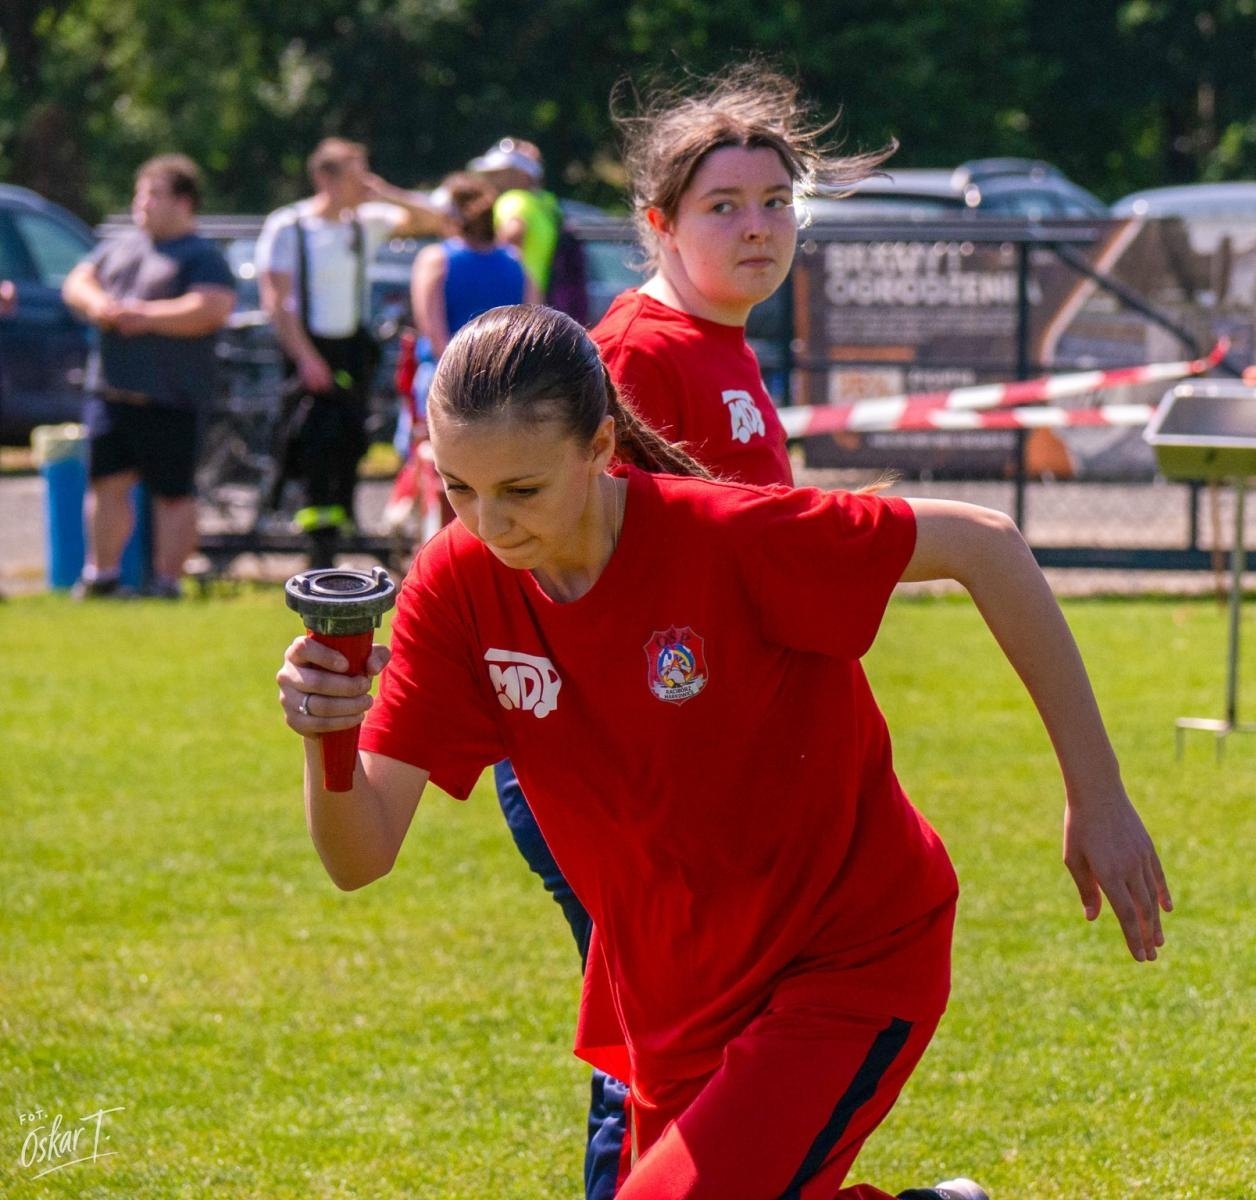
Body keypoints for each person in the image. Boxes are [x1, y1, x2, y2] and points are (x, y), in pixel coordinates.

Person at [276, 304, 1171, 1200]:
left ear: (600, 446)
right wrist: (329, 728)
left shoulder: (728, 537)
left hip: (847, 957)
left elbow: (987, 544)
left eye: (521, 490)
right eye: (458, 489)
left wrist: (1097, 794)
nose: (487, 523)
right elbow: (358, 855)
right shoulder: (454, 586)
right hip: (675, 1003)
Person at [489, 65, 898, 1196]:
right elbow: (540, 571)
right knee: (660, 1045)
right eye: (726, 205)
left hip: (696, 771)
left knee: (737, 1064)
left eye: (777, 201)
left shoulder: (718, 341)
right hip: (608, 768)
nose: (760, 226)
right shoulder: (634, 357)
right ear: (659, 224)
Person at [255, 138, 445, 567]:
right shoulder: (289, 226)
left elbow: (439, 219)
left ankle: (339, 539)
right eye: (352, 173)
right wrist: (305, 358)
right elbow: (276, 301)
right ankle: (316, 552)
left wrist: (384, 191)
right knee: (311, 445)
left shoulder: (366, 221)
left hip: (351, 351)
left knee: (350, 443)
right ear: (324, 177)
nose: (361, 182)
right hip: (307, 350)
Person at [60, 154, 236, 599]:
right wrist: (99, 305)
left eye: (153, 195)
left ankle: (166, 582)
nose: (142, 204)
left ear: (184, 202)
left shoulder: (202, 256)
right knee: (106, 485)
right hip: (112, 390)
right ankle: (102, 577)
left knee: (173, 495)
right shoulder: (119, 245)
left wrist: (148, 317)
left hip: (172, 396)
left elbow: (212, 308)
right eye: (140, 195)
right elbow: (76, 282)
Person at [390, 172, 533, 542]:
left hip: (446, 383)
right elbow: (534, 323)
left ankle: (439, 555)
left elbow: (434, 332)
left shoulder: (436, 259)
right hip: (508, 387)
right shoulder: (515, 261)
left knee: (444, 479)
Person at [470, 138, 589, 322]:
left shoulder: (513, 200)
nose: (489, 179)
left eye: (498, 173)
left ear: (520, 175)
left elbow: (511, 238)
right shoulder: (548, 204)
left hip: (515, 306)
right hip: (543, 308)